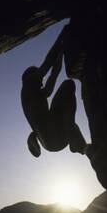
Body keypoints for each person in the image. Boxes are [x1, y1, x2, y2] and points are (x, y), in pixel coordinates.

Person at [21, 26, 87, 158]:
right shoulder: (28, 89)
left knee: (66, 99)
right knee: (68, 85)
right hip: (54, 134)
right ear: (30, 77)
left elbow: (54, 72)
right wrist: (62, 36)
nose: (41, 81)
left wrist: (61, 51)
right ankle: (72, 135)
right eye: (38, 75)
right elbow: (48, 62)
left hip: (51, 143)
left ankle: (80, 144)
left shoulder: (36, 97)